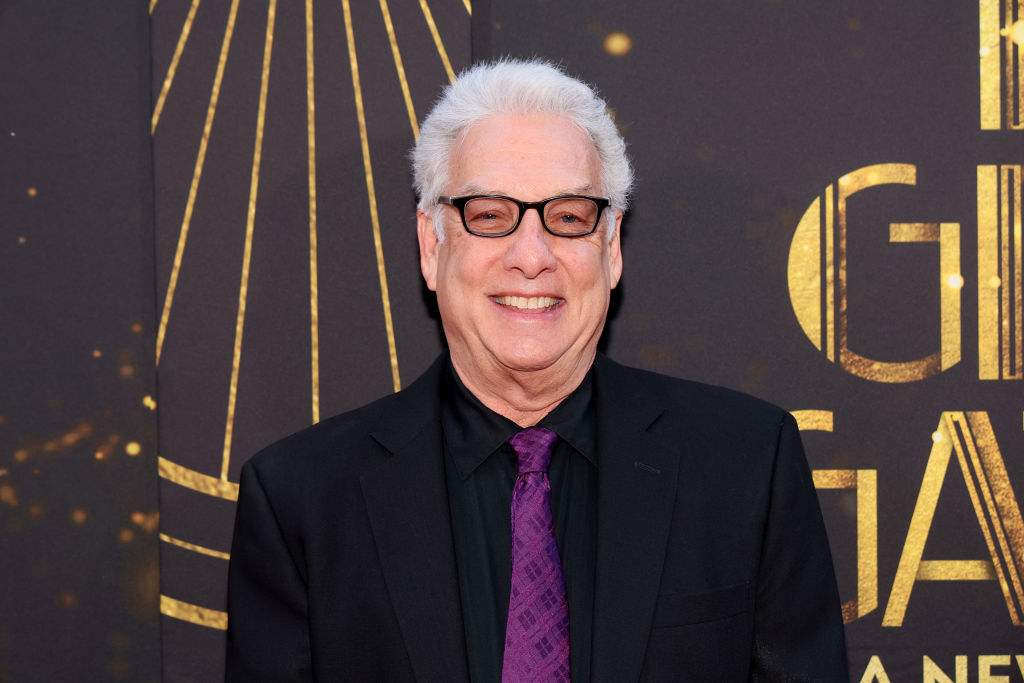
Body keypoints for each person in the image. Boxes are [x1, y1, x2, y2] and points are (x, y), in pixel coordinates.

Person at [226, 59, 847, 681]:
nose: (532, 257)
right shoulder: (300, 499)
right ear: (432, 245)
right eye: (491, 215)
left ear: (610, 249)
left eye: (570, 217)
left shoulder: (745, 464)